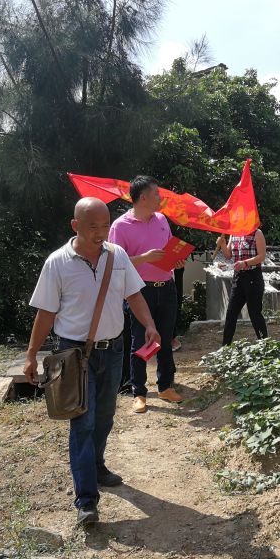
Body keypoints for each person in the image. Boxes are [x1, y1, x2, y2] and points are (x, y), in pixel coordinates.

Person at [24, 197, 159, 526]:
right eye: (92, 227)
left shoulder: (118, 256)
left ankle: (96, 466)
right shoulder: (57, 263)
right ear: (76, 226)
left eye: (104, 225)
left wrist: (150, 325)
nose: (100, 233)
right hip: (74, 355)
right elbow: (46, 312)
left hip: (113, 350)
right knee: (81, 424)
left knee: (106, 416)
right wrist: (31, 355)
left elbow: (134, 294)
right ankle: (86, 500)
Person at [108, 176, 185, 412]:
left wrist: (176, 259)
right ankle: (138, 392)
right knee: (139, 342)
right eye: (156, 194)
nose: (160, 198)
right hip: (139, 292)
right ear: (143, 197)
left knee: (165, 337)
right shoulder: (120, 226)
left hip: (167, 288)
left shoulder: (162, 219)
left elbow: (169, 248)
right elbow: (112, 262)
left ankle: (165, 386)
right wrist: (144, 258)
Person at [217, 227, 268, 346]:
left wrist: (245, 263)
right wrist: (222, 244)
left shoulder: (257, 233)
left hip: (253, 277)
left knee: (254, 312)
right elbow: (228, 255)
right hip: (238, 277)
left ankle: (265, 344)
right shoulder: (233, 233)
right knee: (231, 313)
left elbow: (261, 256)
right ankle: (225, 347)